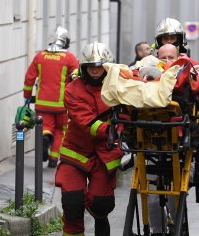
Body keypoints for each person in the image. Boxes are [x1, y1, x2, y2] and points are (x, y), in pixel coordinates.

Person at [55, 42, 124, 236]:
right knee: (72, 202)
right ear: (83, 67)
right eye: (91, 66)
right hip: (75, 152)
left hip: (105, 154)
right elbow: (85, 120)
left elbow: (128, 113)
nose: (95, 70)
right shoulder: (72, 90)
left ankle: (101, 219)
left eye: (99, 66)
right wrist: (110, 130)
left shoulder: (119, 87)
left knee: (101, 204)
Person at [23, 26, 78, 168]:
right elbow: (77, 80)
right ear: (65, 41)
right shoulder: (70, 58)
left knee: (45, 127)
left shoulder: (40, 56)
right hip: (62, 105)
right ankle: (54, 159)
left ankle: (45, 138)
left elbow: (29, 78)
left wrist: (27, 96)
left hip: (43, 103)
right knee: (61, 130)